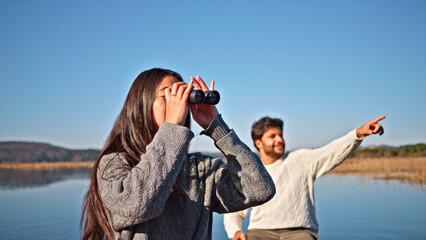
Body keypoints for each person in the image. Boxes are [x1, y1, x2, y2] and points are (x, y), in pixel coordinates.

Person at [80, 68, 276, 240]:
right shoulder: (114, 164)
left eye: (184, 96)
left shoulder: (199, 169)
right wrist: (171, 128)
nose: (179, 104)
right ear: (140, 108)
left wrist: (217, 127)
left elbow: (260, 190)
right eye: (169, 96)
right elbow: (139, 205)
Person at [223, 116, 385, 240]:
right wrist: (235, 231)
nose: (279, 140)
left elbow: (331, 152)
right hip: (260, 233)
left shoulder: (301, 159)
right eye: (272, 136)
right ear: (258, 143)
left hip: (299, 232)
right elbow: (234, 212)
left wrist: (358, 134)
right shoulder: (251, 170)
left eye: (280, 135)